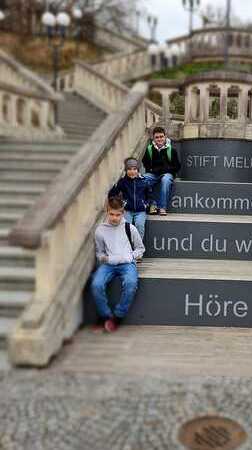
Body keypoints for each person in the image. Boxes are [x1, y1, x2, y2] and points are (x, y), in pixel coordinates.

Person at [91, 196, 145, 333]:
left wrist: (129, 256)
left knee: (131, 283)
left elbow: (140, 249)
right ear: (107, 212)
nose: (114, 218)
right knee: (96, 284)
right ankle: (106, 316)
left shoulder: (130, 228)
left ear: (123, 213)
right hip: (109, 265)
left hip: (127, 264)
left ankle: (118, 317)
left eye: (118, 215)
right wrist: (105, 258)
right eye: (112, 214)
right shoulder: (100, 230)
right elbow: (99, 252)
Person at [108, 157, 152, 241]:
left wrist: (146, 204)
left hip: (140, 210)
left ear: (138, 170)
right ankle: (127, 246)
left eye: (134, 169)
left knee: (139, 226)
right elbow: (113, 194)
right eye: (129, 169)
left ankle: (138, 246)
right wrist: (120, 204)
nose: (132, 171)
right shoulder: (123, 182)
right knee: (126, 227)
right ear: (126, 170)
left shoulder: (144, 181)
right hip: (127, 210)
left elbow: (149, 195)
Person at [142, 126, 181, 216]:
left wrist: (167, 170)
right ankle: (152, 204)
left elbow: (177, 166)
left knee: (165, 180)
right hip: (154, 174)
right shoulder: (149, 149)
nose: (159, 139)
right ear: (153, 138)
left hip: (167, 174)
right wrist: (152, 171)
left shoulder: (171, 150)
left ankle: (162, 207)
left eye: (161, 136)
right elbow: (145, 163)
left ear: (165, 137)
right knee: (143, 179)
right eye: (157, 137)